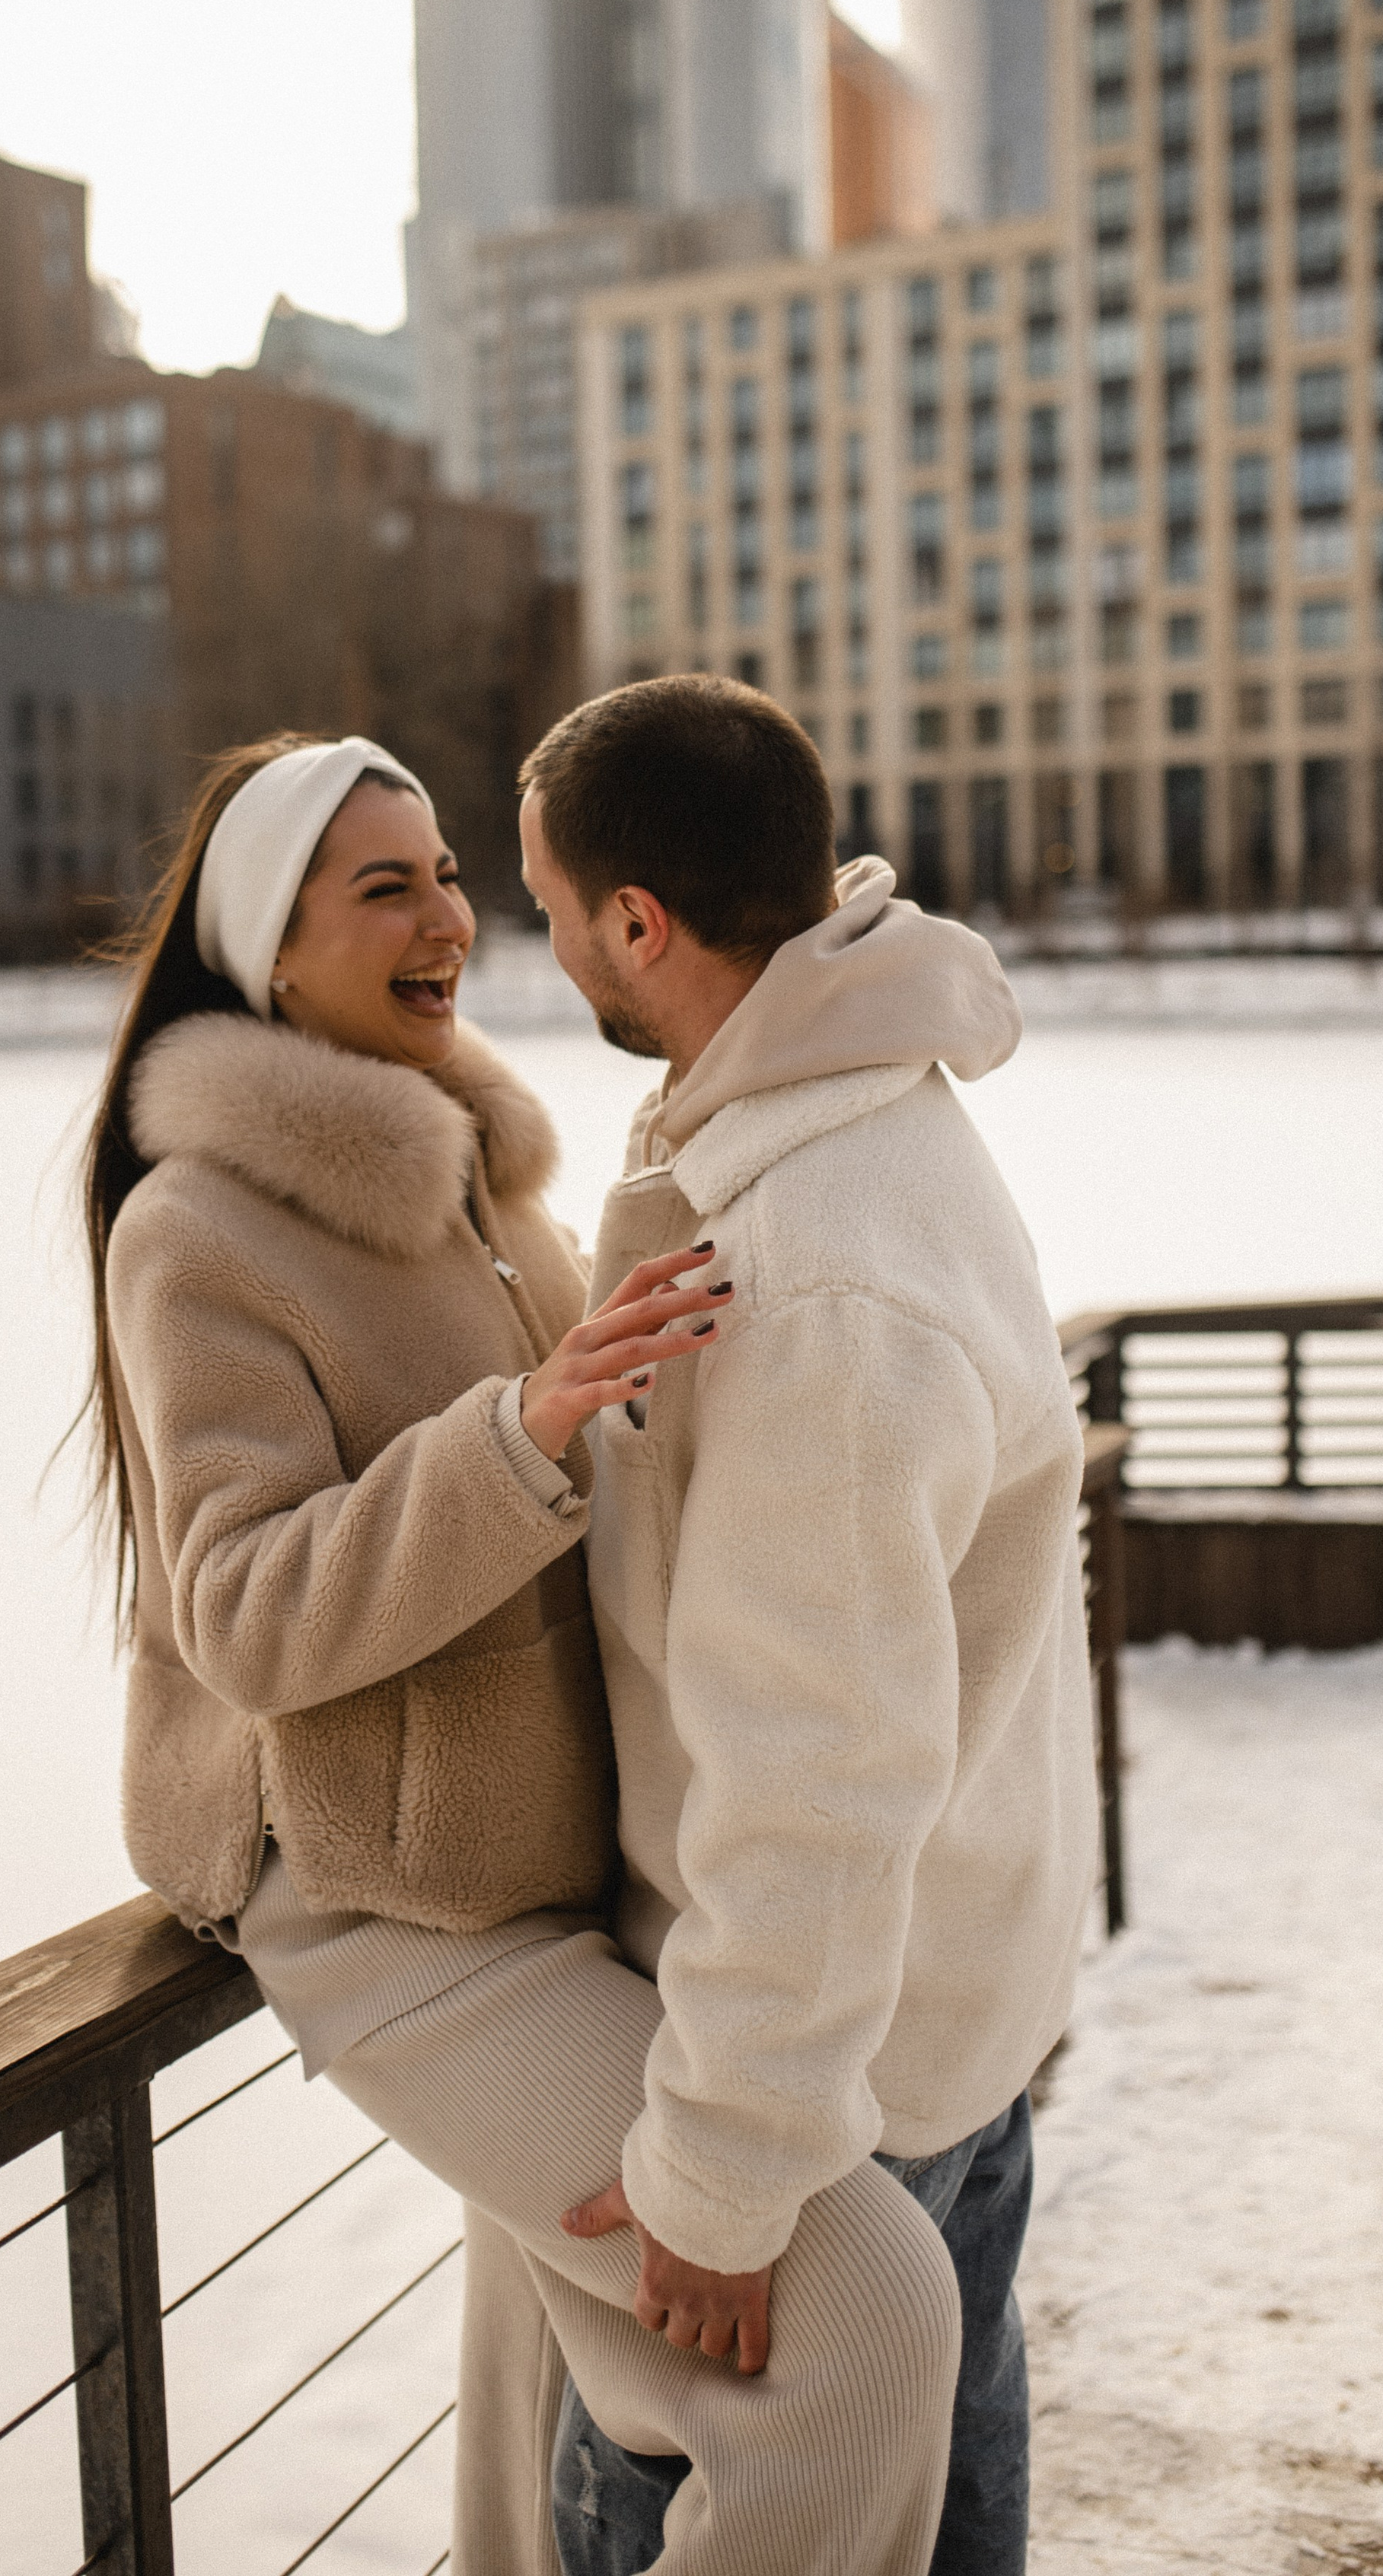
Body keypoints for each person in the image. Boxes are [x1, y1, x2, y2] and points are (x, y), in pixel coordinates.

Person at [85, 727, 961, 2576]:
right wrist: (526, 1430)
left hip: (556, 1867)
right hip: (375, 1895)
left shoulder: (483, 1182)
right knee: (867, 2308)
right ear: (270, 945)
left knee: (565, 2378)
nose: (447, 919)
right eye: (381, 885)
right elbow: (241, 1612)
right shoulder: (196, 1224)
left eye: (453, 876)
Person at [514, 676, 1098, 2576]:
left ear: (635, 924)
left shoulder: (820, 1271)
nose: (538, 943)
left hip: (838, 2111)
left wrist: (725, 2171)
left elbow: (817, 1769)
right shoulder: (858, 1132)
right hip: (944, 2035)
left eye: (547, 903)